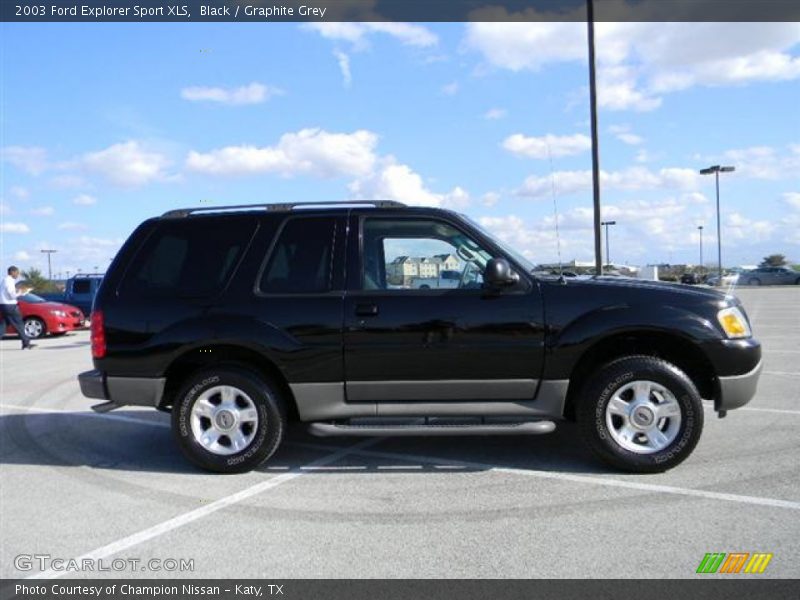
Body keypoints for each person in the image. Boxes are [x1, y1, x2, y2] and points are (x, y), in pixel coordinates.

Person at [1, 266, 36, 349]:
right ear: (12, 272)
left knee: (4, 325)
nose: (18, 275)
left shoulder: (4, 280)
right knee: (19, 324)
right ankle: (26, 344)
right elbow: (12, 295)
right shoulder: (9, 281)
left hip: (4, 305)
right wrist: (22, 292)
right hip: (10, 305)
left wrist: (21, 292)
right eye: (17, 273)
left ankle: (26, 343)